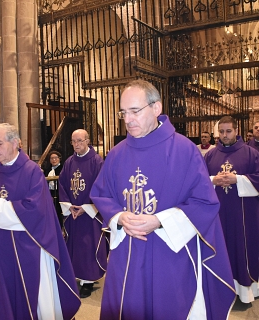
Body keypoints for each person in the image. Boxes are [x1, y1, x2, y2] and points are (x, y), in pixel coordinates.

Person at [90, 80, 235, 320]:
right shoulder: (116, 153)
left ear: (156, 108)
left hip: (169, 256)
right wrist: (119, 216)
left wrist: (159, 220)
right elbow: (101, 194)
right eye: (123, 113)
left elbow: (204, 203)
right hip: (127, 254)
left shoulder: (185, 150)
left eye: (135, 111)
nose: (127, 120)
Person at [0, 123, 80, 320]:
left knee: (25, 294)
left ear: (16, 142)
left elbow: (35, 210)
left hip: (26, 245)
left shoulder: (32, 171)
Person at [204, 116, 259, 305]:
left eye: (228, 131)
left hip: (243, 215)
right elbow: (198, 180)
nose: (224, 135)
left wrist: (239, 180)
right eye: (221, 132)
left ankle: (244, 291)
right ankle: (220, 288)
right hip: (217, 215)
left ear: (236, 131)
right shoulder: (210, 155)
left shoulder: (251, 154)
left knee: (240, 249)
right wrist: (213, 180)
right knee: (220, 249)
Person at [58, 129, 108, 298]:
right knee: (74, 245)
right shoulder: (69, 162)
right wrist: (69, 206)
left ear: (87, 141)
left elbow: (100, 186)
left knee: (88, 246)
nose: (76, 144)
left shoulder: (97, 161)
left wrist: (86, 208)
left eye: (80, 141)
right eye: (73, 141)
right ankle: (77, 277)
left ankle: (88, 280)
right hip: (73, 211)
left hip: (89, 214)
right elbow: (63, 184)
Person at [44, 151, 64, 227]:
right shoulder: (47, 169)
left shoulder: (62, 169)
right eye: (52, 158)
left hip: (59, 192)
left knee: (58, 211)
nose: (54, 160)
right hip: (50, 193)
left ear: (59, 159)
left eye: (55, 158)